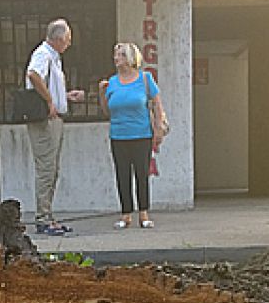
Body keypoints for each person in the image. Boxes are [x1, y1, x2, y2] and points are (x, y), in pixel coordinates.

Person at [25, 19, 85, 237]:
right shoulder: (43, 54)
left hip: (55, 118)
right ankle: (42, 218)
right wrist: (50, 100)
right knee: (46, 170)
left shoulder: (54, 57)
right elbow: (33, 74)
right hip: (44, 121)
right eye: (68, 39)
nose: (69, 44)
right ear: (59, 39)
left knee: (52, 170)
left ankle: (48, 215)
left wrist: (64, 97)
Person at [99, 42, 165, 230]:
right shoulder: (112, 82)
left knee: (141, 174)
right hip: (118, 135)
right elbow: (107, 111)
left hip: (141, 134)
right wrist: (102, 93)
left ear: (129, 58)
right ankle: (125, 214)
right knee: (122, 174)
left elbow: (157, 103)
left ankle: (144, 213)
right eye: (115, 55)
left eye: (119, 55)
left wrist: (159, 126)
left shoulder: (145, 78)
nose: (115, 58)